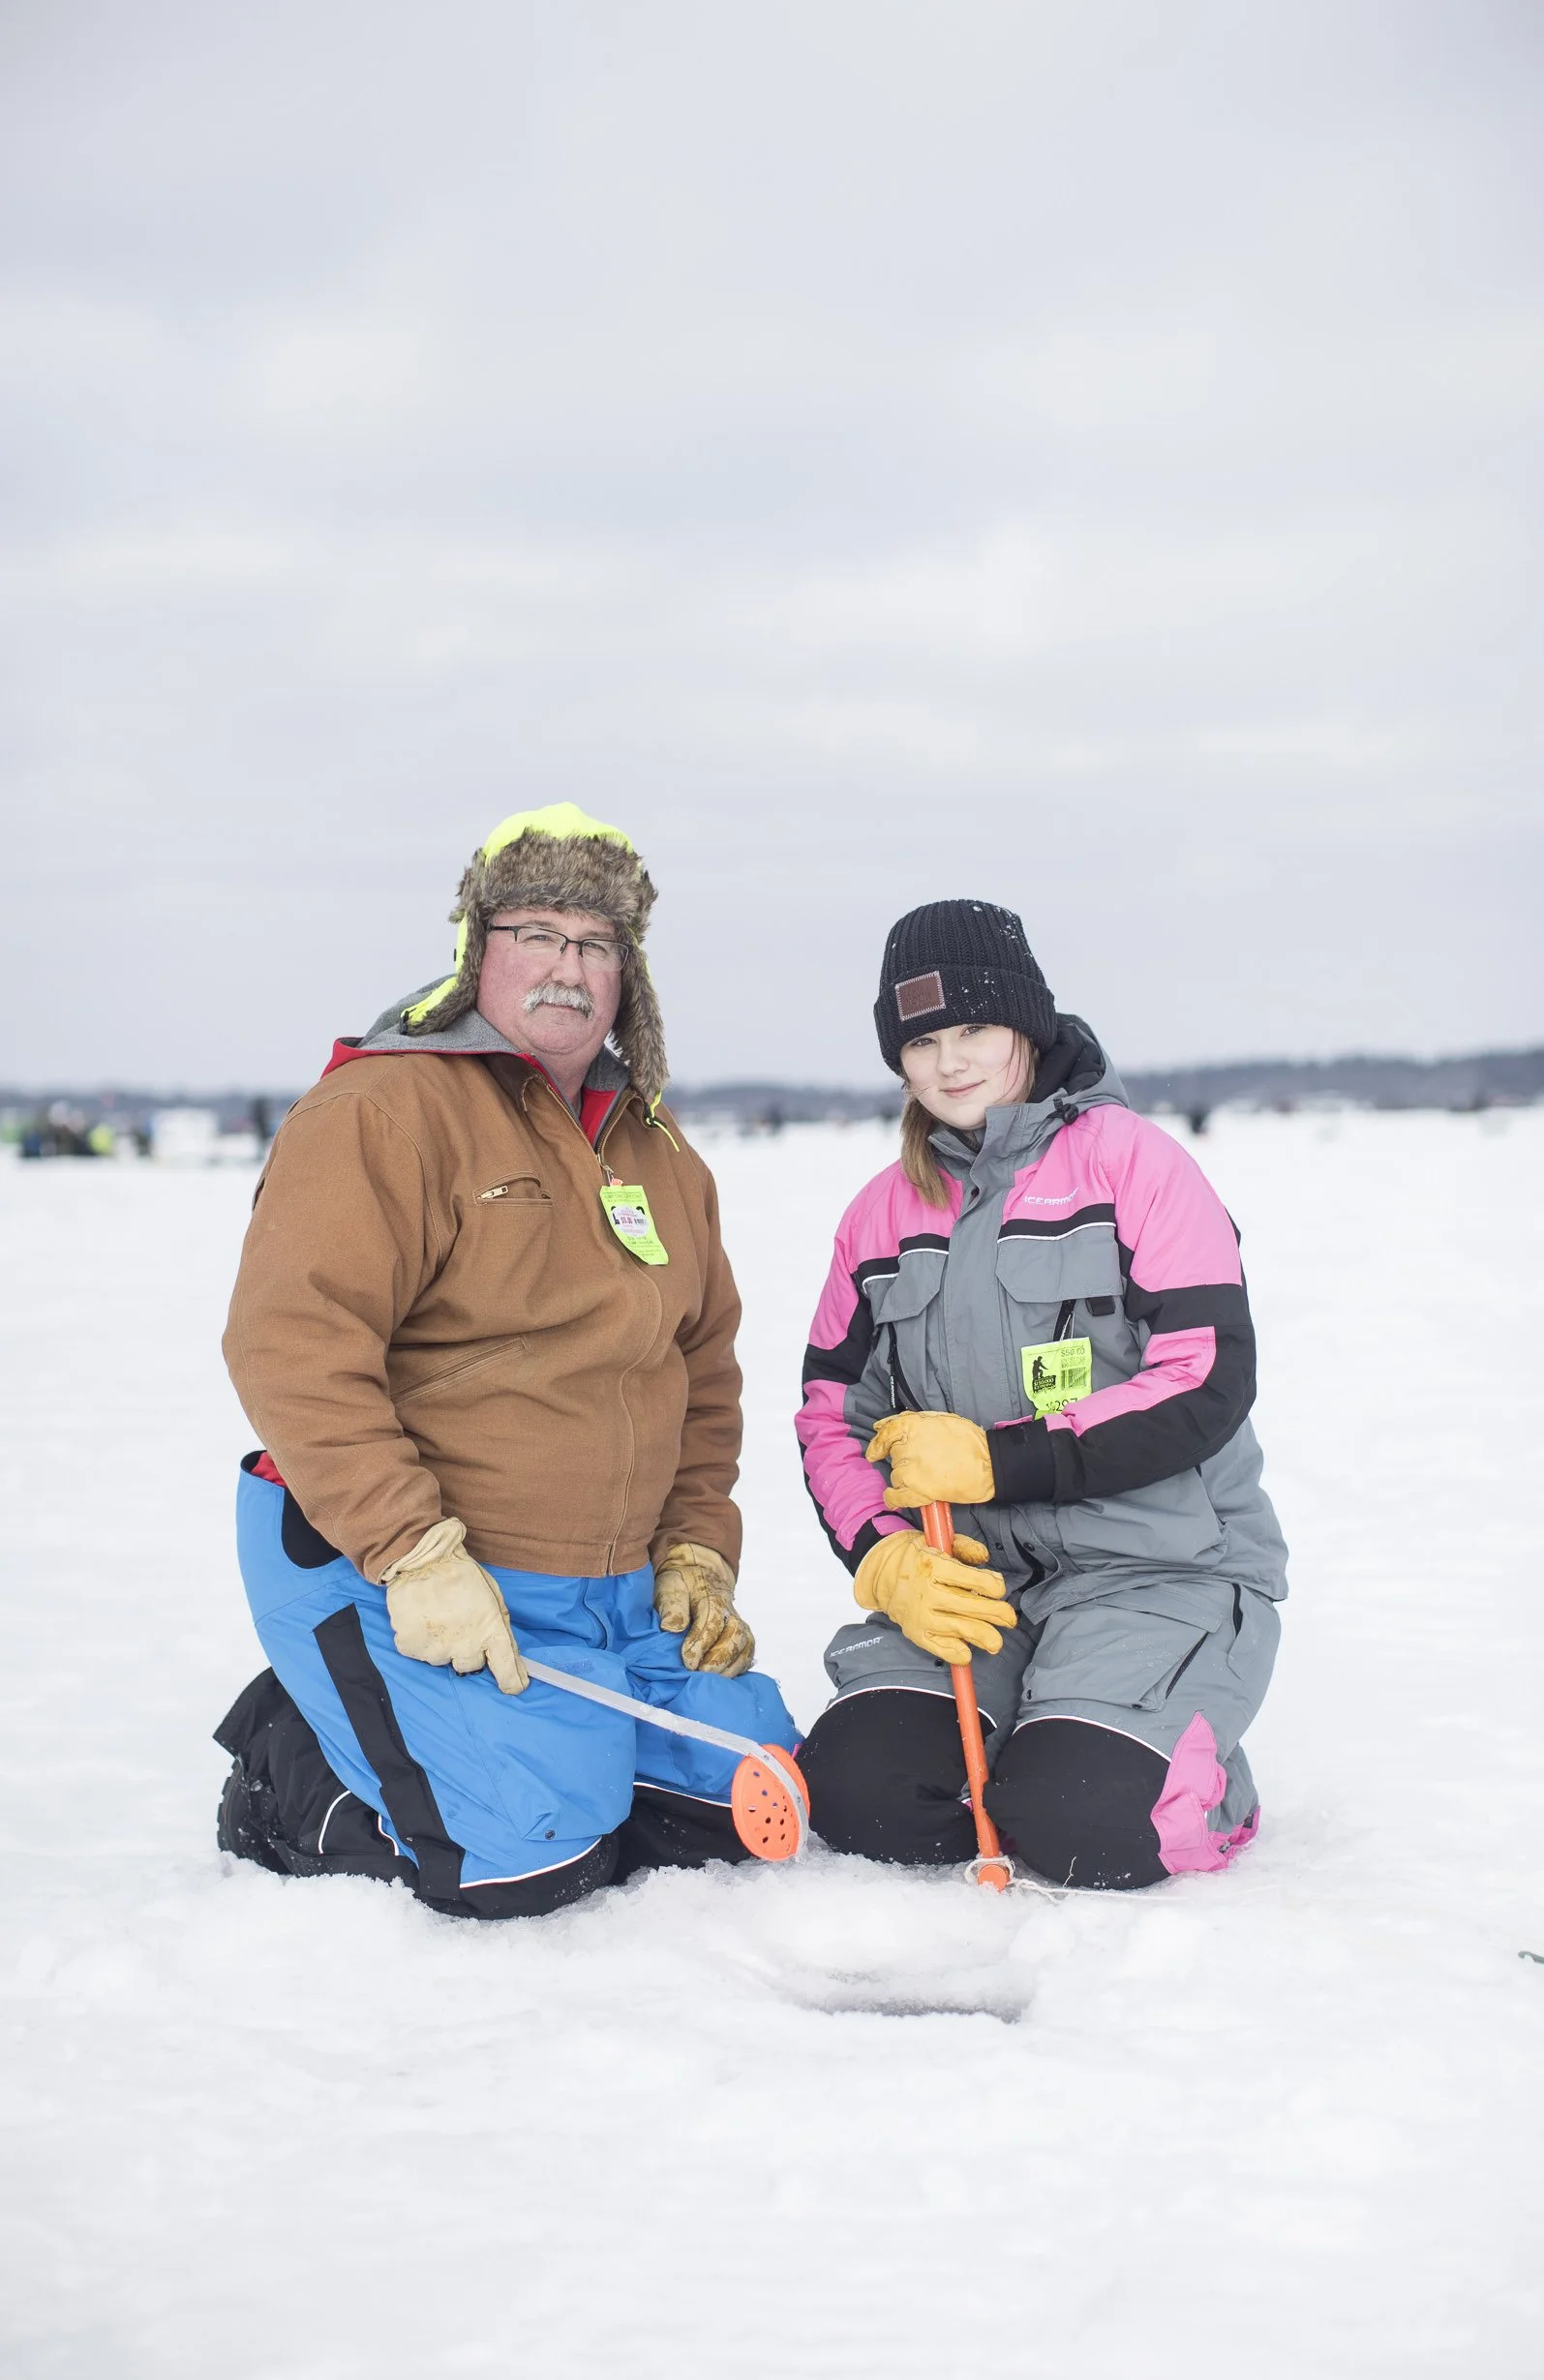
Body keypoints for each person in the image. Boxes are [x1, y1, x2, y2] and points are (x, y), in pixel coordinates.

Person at [214, 804, 795, 1918]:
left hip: (615, 1592)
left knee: (746, 1807)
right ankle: (298, 1751)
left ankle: (516, 1735)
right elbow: (290, 1342)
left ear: (627, 975)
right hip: (417, 1564)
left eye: (595, 943)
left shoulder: (657, 1150)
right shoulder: (384, 1109)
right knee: (528, 1861)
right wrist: (411, 1550)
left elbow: (701, 1377)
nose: (565, 967)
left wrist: (695, 1550)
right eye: (535, 932)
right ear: (477, 950)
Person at [795, 900, 1287, 1887]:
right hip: (976, 1584)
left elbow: (1204, 1373)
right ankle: (1033, 1720)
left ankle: (1194, 1780)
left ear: (1026, 1023)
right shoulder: (880, 1213)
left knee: (1080, 1820)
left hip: (1154, 1571)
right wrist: (886, 1559)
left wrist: (997, 1457)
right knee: (863, 1794)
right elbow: (829, 1417)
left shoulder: (1136, 1165)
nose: (949, 1061)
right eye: (921, 1041)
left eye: (971, 1027)